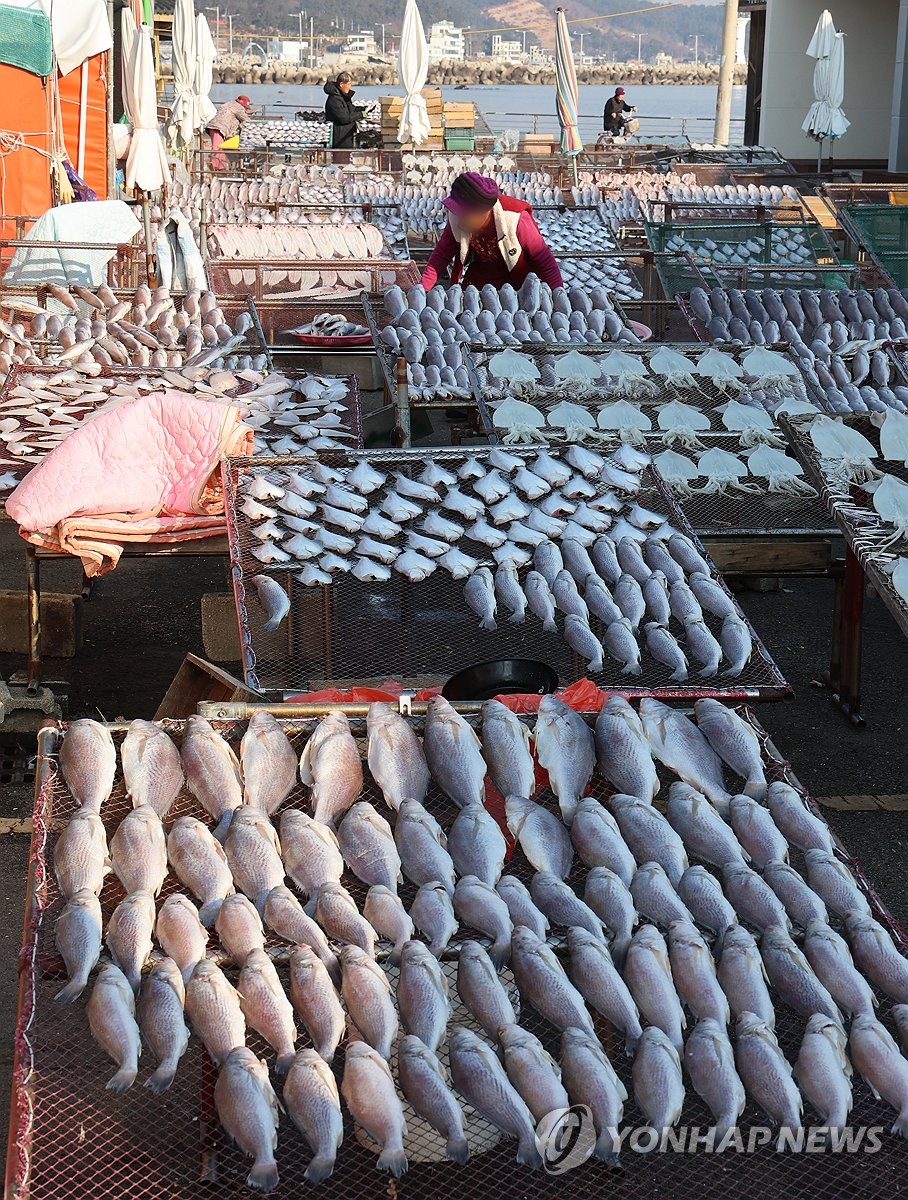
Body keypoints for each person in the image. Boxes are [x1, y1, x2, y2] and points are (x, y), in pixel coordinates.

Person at [420, 172, 563, 291]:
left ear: (483, 212)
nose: (460, 218)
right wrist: (422, 290)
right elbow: (441, 255)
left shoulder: (515, 219)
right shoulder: (456, 218)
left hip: (517, 282)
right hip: (479, 280)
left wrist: (558, 297)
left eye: (465, 214)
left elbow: (545, 262)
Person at [206, 95, 251, 171]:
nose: (245, 110)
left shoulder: (229, 104)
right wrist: (254, 124)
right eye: (246, 108)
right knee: (217, 148)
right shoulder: (238, 107)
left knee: (220, 148)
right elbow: (245, 119)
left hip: (215, 127)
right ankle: (216, 168)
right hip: (218, 128)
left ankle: (220, 167)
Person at [324, 72, 366, 150]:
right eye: (349, 84)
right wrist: (361, 114)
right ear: (341, 84)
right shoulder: (335, 99)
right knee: (341, 159)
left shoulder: (342, 96)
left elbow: (351, 109)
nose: (350, 86)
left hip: (347, 135)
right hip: (340, 137)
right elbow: (344, 118)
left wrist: (363, 109)